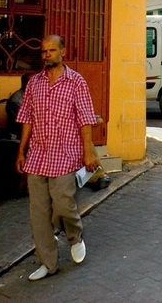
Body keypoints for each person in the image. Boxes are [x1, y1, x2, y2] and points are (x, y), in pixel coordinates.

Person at [15, 35, 99, 281]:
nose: (47, 54)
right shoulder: (34, 84)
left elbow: (85, 119)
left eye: (52, 50)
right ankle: (48, 263)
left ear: (63, 52)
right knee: (38, 213)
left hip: (65, 153)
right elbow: (26, 120)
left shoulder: (76, 82)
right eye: (44, 51)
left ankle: (74, 235)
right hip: (38, 154)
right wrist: (21, 151)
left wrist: (88, 151)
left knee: (63, 204)